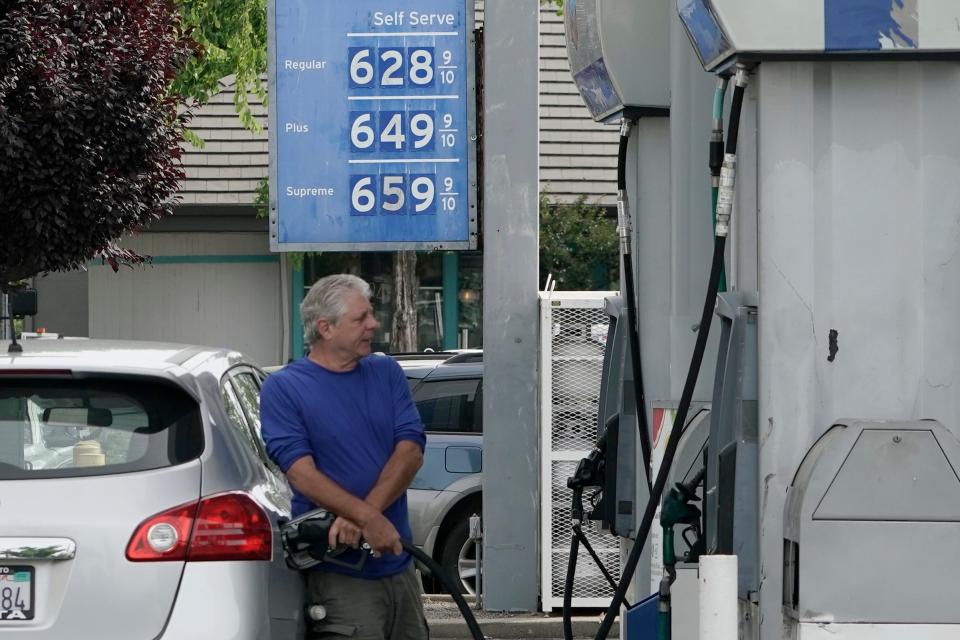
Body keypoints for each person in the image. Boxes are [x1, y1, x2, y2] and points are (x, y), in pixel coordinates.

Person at [260, 274, 429, 640]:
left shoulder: (386, 372)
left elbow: (411, 449)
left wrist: (365, 516)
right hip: (340, 570)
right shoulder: (285, 387)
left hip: (397, 562)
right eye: (361, 318)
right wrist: (368, 517)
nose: (373, 324)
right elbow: (301, 474)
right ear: (326, 328)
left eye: (370, 314)